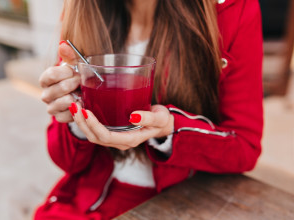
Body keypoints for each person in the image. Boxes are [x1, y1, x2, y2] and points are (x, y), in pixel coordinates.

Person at [35, 0, 263, 219]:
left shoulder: (232, 11)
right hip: (90, 200)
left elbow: (244, 147)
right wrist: (75, 114)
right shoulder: (83, 9)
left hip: (177, 203)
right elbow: (66, 160)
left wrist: (170, 129)